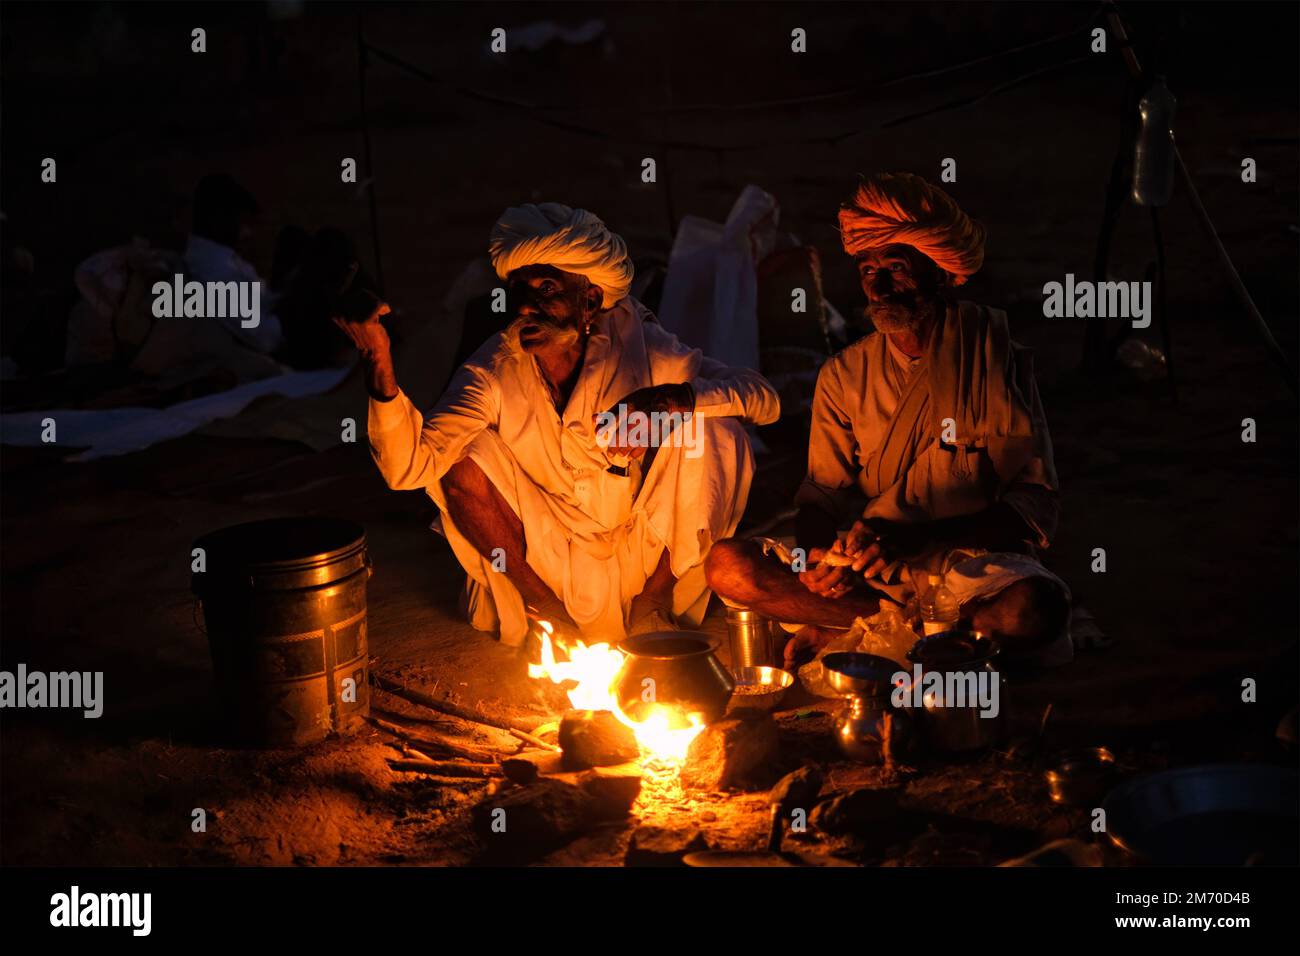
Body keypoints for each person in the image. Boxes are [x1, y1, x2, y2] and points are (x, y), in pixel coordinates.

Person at [338, 202, 780, 648]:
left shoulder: (640, 345)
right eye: (519, 292)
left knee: (714, 430)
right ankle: (546, 618)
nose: (528, 307)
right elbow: (407, 469)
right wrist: (378, 360)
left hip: (641, 558)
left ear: (589, 300)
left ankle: (653, 607)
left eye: (547, 289)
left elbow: (764, 400)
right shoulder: (493, 370)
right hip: (546, 562)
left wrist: (671, 400)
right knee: (460, 458)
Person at [705, 172, 1071, 668]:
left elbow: (1034, 505)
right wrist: (821, 563)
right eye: (867, 271)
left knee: (1032, 606)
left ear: (939, 273)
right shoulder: (844, 374)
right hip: (872, 572)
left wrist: (924, 537)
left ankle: (872, 634)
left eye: (895, 269)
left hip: (970, 564)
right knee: (730, 568)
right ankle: (934, 640)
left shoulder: (993, 355)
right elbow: (821, 496)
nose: (878, 286)